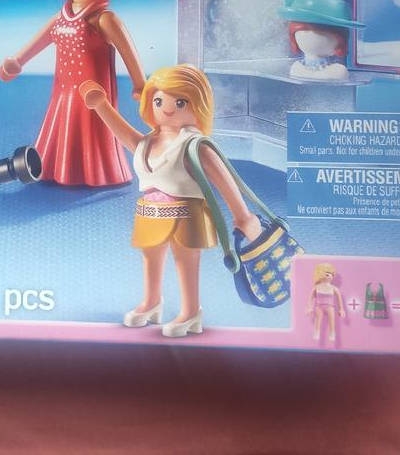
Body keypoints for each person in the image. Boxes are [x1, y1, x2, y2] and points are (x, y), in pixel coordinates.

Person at [79, 64, 263, 337]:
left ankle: (190, 311)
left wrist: (242, 216)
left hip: (186, 212)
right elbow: (126, 135)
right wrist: (102, 106)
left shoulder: (195, 144)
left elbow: (224, 179)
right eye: (158, 101)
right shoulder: (149, 143)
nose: (167, 109)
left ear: (198, 105)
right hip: (150, 211)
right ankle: (151, 302)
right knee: (151, 256)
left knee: (185, 261)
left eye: (179, 102)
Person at [0, 0, 145, 187]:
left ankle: (98, 173)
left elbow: (128, 52)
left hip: (93, 93)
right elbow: (40, 40)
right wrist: (17, 62)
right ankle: (59, 170)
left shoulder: (104, 19)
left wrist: (139, 83)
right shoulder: (62, 17)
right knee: (62, 125)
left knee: (93, 129)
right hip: (63, 91)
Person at [306, 262, 345, 342]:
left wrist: (341, 309)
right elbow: (311, 298)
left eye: (331, 274)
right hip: (319, 307)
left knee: (332, 321)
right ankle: (316, 332)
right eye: (327, 274)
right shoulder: (316, 287)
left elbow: (339, 298)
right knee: (318, 320)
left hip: (330, 307)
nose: (330, 276)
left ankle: (332, 333)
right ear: (320, 274)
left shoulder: (334, 288)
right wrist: (309, 307)